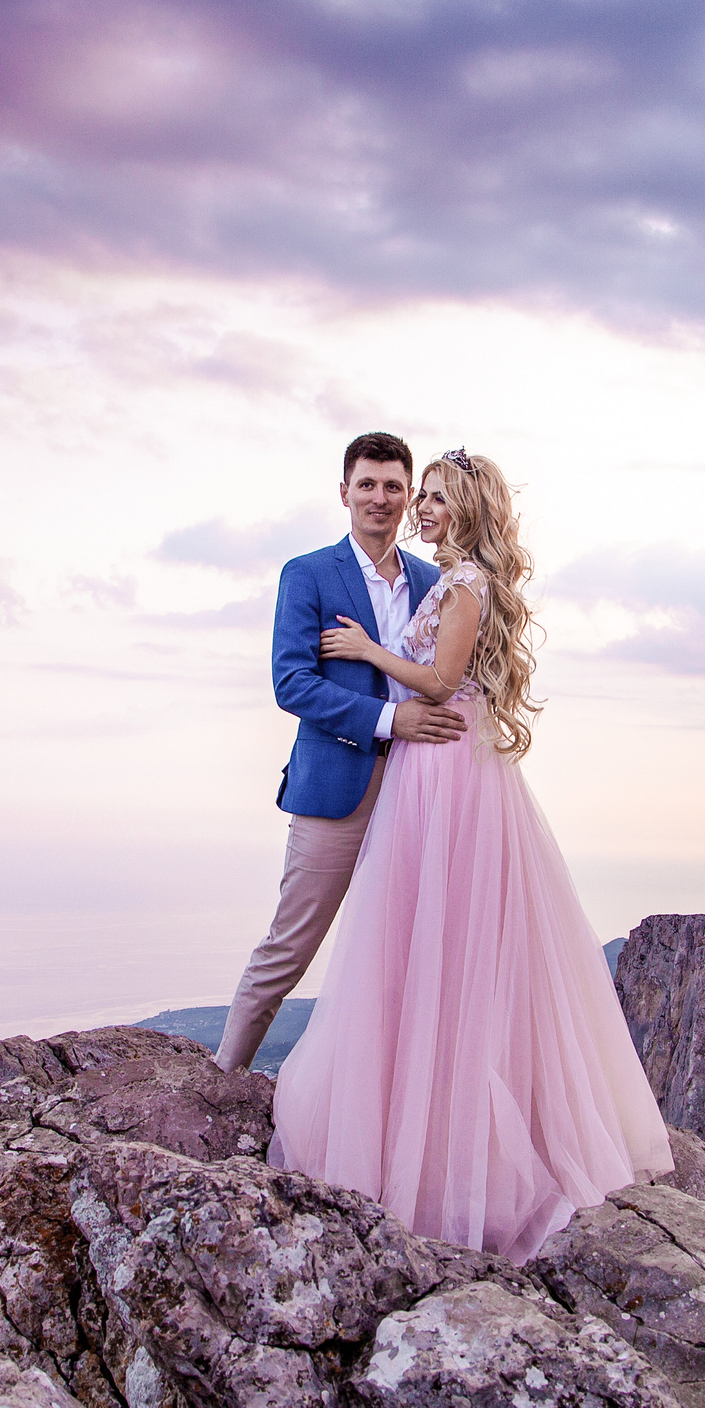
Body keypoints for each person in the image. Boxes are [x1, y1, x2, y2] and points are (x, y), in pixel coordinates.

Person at [270, 447, 673, 1262]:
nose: (419, 509)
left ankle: (447, 1147)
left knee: (442, 947)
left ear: (469, 510)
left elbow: (437, 677)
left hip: (444, 770)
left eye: (436, 499)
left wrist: (365, 651)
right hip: (437, 764)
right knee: (423, 946)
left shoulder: (459, 584)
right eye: (417, 496)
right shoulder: (437, 578)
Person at [214, 432, 473, 1076]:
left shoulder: (432, 579)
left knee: (405, 952)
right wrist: (392, 719)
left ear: (408, 496)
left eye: (392, 486)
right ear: (344, 492)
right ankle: (219, 1082)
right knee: (289, 948)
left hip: (420, 786)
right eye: (366, 484)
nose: (379, 498)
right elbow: (291, 683)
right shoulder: (308, 574)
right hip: (337, 786)